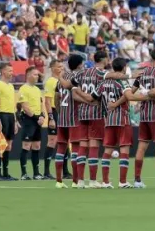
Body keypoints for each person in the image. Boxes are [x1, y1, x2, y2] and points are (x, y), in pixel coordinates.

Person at [132, 49, 155, 188]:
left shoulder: (142, 72)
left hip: (144, 115)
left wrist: (139, 101)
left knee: (141, 147)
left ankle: (137, 180)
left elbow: (131, 92)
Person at [98, 58, 137, 188]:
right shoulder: (122, 81)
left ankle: (105, 182)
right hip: (122, 118)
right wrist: (115, 104)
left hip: (108, 119)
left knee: (107, 150)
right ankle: (122, 181)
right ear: (124, 67)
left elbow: (96, 97)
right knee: (124, 149)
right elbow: (128, 95)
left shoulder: (104, 82)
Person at [71, 52, 107, 188]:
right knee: (93, 146)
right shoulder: (103, 74)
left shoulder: (82, 73)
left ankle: (80, 181)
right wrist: (90, 101)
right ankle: (92, 180)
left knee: (83, 145)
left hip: (82, 113)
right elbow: (95, 97)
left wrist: (85, 100)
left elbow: (74, 94)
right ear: (103, 59)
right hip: (96, 114)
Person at [53, 55, 83, 188]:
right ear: (79, 65)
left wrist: (59, 112)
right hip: (74, 118)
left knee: (61, 149)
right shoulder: (77, 77)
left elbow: (56, 97)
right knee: (75, 149)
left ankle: (59, 181)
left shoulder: (60, 81)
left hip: (62, 119)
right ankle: (75, 181)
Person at [17, 68, 46, 180]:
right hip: (29, 120)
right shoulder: (23, 89)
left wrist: (42, 116)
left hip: (38, 120)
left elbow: (41, 104)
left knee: (36, 146)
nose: (37, 76)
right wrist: (36, 117)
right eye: (35, 74)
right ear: (28, 75)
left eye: (38, 75)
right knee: (26, 146)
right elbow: (25, 106)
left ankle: (36, 173)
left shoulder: (38, 90)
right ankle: (24, 173)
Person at [0, 63, 18, 181]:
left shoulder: (11, 86)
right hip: (2, 116)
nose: (11, 73)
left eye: (12, 71)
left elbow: (12, 105)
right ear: (3, 72)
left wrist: (15, 120)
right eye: (9, 71)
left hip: (10, 116)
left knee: (8, 146)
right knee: (1, 145)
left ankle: (6, 173)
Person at [43, 60, 62, 181]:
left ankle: (64, 170)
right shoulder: (51, 82)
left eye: (62, 66)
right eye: (59, 66)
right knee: (52, 141)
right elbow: (48, 101)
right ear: (53, 68)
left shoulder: (61, 81)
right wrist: (51, 117)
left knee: (63, 141)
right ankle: (46, 171)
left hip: (62, 113)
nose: (62, 68)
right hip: (54, 112)